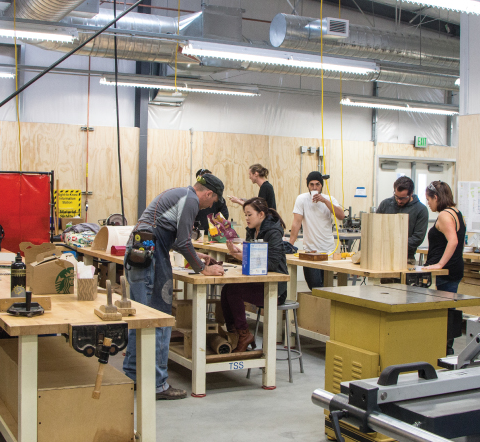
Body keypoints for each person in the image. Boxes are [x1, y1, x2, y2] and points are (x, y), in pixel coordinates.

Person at [123, 173, 226, 400]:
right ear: (208, 193)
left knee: (140, 319)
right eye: (213, 201)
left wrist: (195, 256)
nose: (210, 206)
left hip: (141, 253)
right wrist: (203, 268)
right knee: (160, 319)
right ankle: (158, 385)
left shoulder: (180, 194)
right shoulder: (190, 200)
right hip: (150, 258)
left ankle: (131, 377)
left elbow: (172, 238)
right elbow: (182, 241)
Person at [221, 198, 288, 352]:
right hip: (258, 282)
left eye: (249, 214)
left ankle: (244, 335)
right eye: (245, 215)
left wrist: (242, 256)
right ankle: (235, 334)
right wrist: (238, 253)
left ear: (261, 214)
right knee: (226, 290)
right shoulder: (252, 230)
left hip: (274, 289)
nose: (246, 218)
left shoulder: (273, 232)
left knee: (233, 291)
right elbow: (253, 258)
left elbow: (271, 263)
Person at [289, 171, 344, 290]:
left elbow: (341, 215)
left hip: (328, 250)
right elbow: (296, 222)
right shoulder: (302, 199)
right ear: (308, 185)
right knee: (314, 286)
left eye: (317, 184)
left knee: (327, 287)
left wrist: (324, 201)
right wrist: (290, 245)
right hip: (311, 251)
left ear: (322, 186)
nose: (314, 187)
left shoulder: (330, 199)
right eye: (311, 184)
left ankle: (326, 308)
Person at [422, 180, 465, 293]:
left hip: (446, 272)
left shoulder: (445, 215)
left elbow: (454, 241)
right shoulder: (457, 213)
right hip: (453, 269)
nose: (428, 204)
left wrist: (440, 264)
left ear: (435, 197)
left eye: (428, 200)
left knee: (446, 309)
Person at [375, 176, 429, 264]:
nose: (399, 201)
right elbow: (376, 228)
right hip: (384, 257)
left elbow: (417, 238)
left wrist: (394, 244)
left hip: (407, 259)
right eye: (396, 197)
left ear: (411, 193)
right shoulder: (385, 204)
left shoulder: (421, 210)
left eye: (403, 198)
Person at [193, 168, 230, 236]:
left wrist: (215, 224)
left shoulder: (219, 199)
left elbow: (224, 215)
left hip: (212, 233)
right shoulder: (191, 200)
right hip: (197, 233)